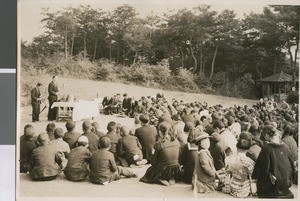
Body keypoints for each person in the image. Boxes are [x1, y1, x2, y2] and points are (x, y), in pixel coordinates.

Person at [252, 125, 295, 198]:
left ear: (266, 135)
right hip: (286, 182)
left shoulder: (267, 148)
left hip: (273, 186)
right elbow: (292, 166)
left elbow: (261, 169)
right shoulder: (286, 147)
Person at [140, 122, 180, 186]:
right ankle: (171, 177)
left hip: (163, 169)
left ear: (160, 132)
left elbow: (153, 162)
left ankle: (161, 178)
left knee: (150, 171)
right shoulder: (176, 141)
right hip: (175, 169)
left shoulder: (159, 144)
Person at [223, 132, 255, 198]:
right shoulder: (250, 162)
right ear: (248, 148)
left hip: (233, 188)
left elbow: (227, 174)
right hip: (245, 189)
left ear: (237, 147)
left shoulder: (228, 159)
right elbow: (252, 177)